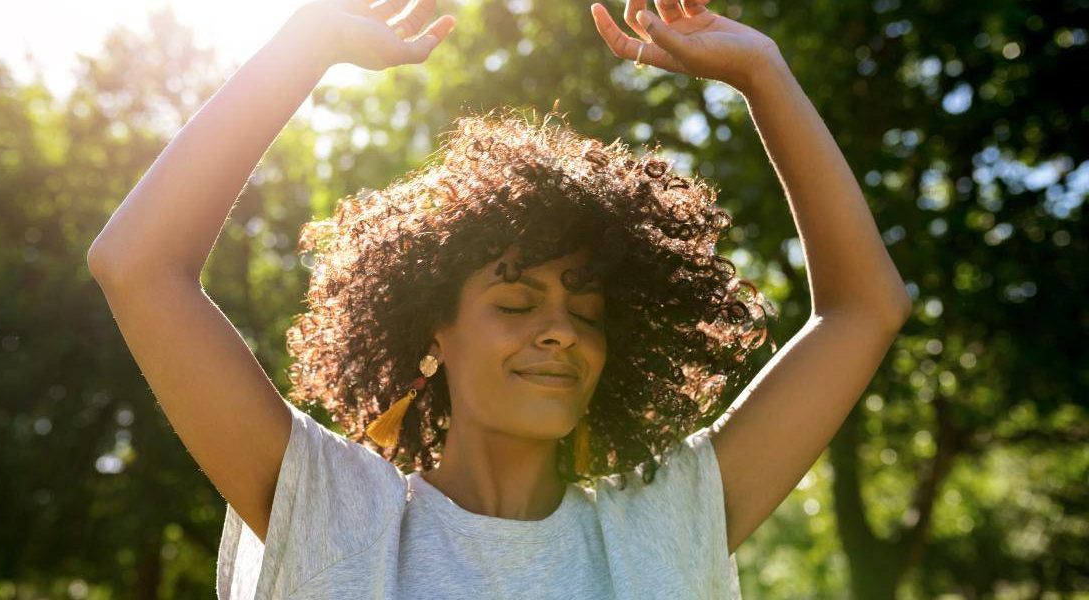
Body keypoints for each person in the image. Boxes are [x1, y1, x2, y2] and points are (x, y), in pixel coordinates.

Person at [87, 0, 913, 597]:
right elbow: (138, 265)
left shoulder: (660, 523)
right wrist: (302, 46)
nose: (561, 332)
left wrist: (764, 74)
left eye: (587, 311)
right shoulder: (338, 512)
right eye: (516, 304)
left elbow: (864, 310)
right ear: (432, 333)